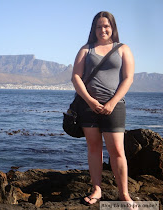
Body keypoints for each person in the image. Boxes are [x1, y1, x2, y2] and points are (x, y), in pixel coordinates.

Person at [71, 11, 135, 205]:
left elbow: (128, 78)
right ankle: (97, 189)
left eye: (106, 26)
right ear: (94, 29)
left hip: (114, 107)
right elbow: (76, 77)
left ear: (112, 27)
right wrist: (90, 101)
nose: (102, 30)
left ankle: (123, 194)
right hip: (88, 107)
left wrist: (112, 102)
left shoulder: (123, 49)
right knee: (94, 148)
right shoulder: (86, 49)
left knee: (117, 150)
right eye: (99, 26)